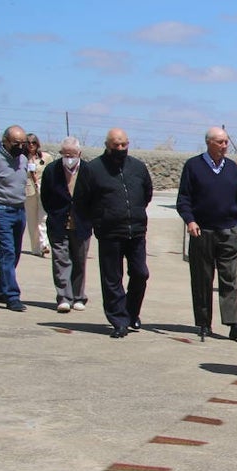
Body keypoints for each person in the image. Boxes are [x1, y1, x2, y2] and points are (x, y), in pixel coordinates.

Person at [72, 128, 153, 339]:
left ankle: (131, 312)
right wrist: (99, 219)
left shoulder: (137, 167)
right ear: (107, 145)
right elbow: (82, 200)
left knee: (140, 273)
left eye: (123, 145)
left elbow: (147, 194)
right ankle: (118, 320)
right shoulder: (93, 169)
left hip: (135, 230)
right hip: (109, 232)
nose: (120, 148)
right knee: (112, 278)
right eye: (116, 145)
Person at [175, 127, 237, 343]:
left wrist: (236, 221)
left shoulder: (231, 168)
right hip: (202, 230)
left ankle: (233, 323)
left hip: (228, 230)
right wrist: (190, 220)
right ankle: (203, 323)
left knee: (229, 277)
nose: (224, 146)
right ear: (209, 142)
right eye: (220, 142)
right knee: (202, 278)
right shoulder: (194, 166)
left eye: (226, 142)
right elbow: (184, 199)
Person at [39, 137, 92, 313]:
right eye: (65, 154)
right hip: (58, 223)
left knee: (79, 261)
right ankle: (63, 297)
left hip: (81, 224)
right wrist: (55, 213)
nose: (69, 157)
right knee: (61, 261)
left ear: (80, 154)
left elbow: (95, 198)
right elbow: (45, 197)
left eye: (72, 154)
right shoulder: (51, 170)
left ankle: (78, 297)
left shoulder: (88, 171)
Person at [0, 125, 30, 312]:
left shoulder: (23, 159)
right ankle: (12, 295)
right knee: (7, 253)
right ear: (5, 141)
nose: (20, 146)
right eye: (16, 143)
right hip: (2, 211)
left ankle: (0, 289)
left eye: (23, 143)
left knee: (16, 254)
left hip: (20, 210)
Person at [23, 133, 51, 258]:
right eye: (28, 143)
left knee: (43, 218)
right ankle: (36, 248)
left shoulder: (46, 157)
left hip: (43, 189)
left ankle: (44, 244)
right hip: (29, 191)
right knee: (32, 220)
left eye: (33, 142)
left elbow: (51, 172)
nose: (31, 145)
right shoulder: (22, 158)